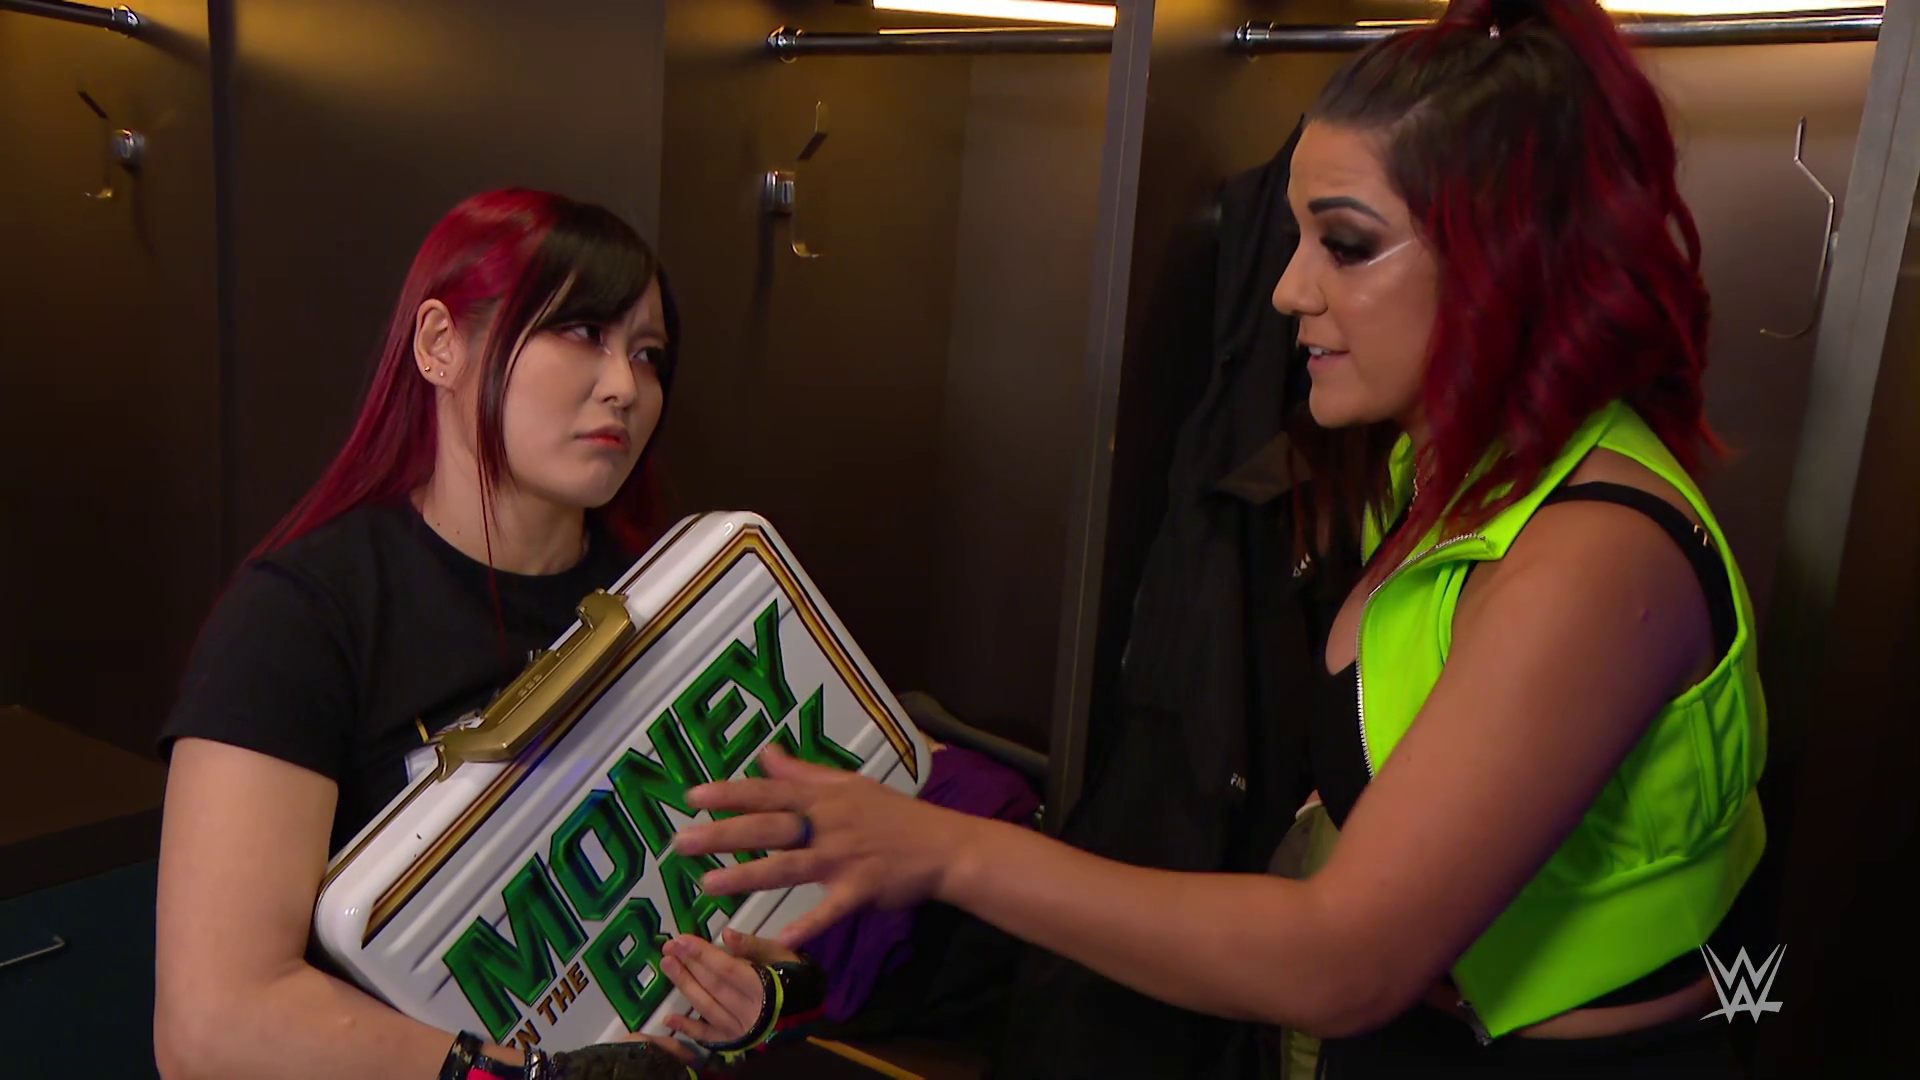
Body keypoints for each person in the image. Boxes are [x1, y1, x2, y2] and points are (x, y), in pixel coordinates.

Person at [664, 1, 1767, 1076]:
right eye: (1297, 238)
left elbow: (1345, 961)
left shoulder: (1593, 563)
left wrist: (950, 851)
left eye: (1347, 245)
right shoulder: (1433, 472)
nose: (1288, 289)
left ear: (1510, 260)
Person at [152, 188, 777, 1080]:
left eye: (647, 354)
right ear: (440, 344)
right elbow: (210, 1026)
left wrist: (759, 996)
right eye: (582, 332)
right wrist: (518, 1075)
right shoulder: (301, 618)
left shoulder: (674, 603)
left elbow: (755, 907)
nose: (626, 387)